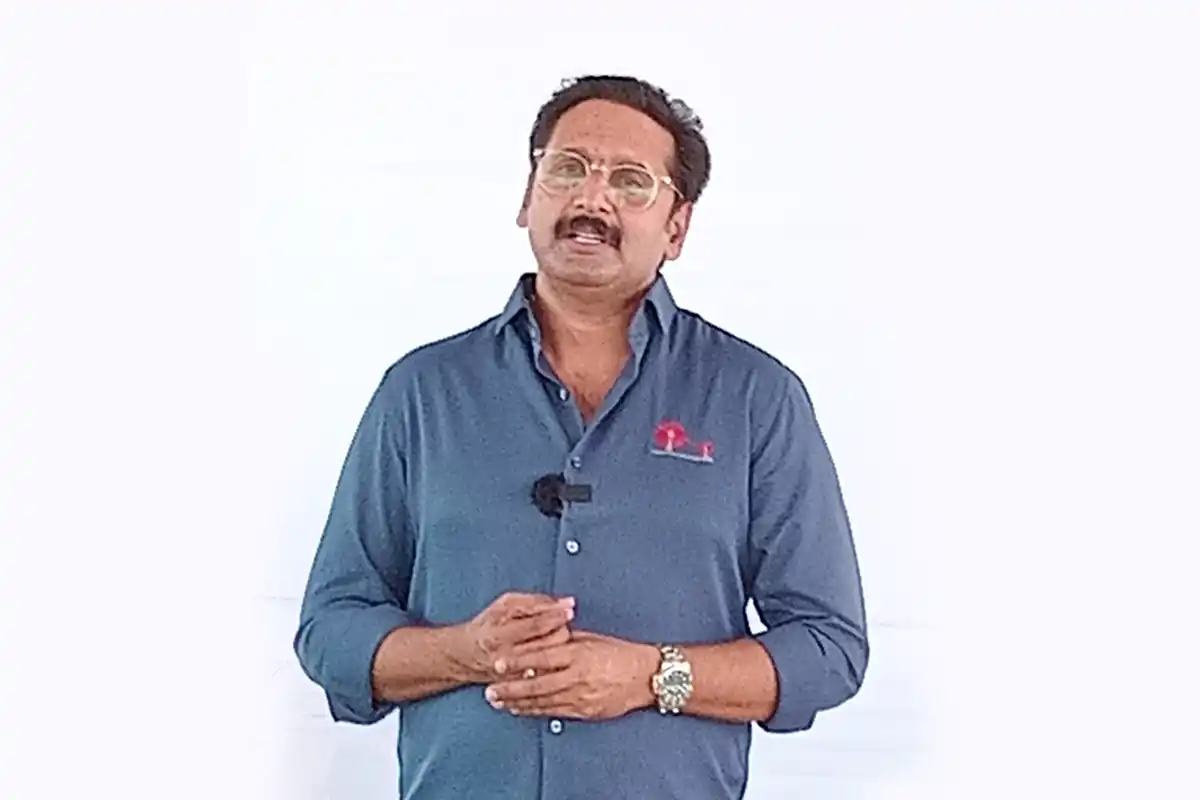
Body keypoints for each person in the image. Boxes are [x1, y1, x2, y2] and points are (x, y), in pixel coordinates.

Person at [293, 74, 869, 800]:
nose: (592, 199)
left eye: (631, 181)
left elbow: (828, 647)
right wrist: (466, 653)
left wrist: (651, 676)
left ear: (677, 227)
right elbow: (331, 630)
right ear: (527, 196)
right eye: (568, 168)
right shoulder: (423, 393)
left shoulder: (756, 399)